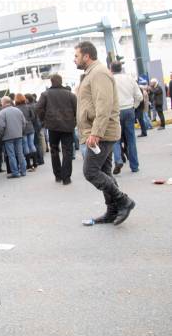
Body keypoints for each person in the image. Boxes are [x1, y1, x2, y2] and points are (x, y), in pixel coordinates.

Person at [74, 42, 135, 226]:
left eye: (76, 56)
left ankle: (124, 201)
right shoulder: (91, 73)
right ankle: (112, 210)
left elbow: (104, 104)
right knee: (104, 172)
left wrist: (96, 132)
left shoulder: (98, 73)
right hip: (98, 131)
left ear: (86, 56)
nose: (74, 59)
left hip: (102, 132)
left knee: (90, 171)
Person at [36, 74, 77, 184]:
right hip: (68, 126)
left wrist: (44, 120)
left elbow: (38, 108)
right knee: (67, 151)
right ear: (61, 81)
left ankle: (58, 175)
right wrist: (74, 122)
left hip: (52, 126)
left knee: (54, 151)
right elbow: (77, 110)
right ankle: (66, 177)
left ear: (51, 81)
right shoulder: (70, 95)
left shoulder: (45, 94)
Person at [110, 61, 143, 174]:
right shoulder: (130, 78)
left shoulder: (109, 80)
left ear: (111, 69)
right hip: (129, 110)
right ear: (121, 68)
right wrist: (134, 107)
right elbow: (139, 96)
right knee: (131, 139)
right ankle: (134, 166)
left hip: (115, 112)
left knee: (115, 138)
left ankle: (118, 160)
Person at [0, 96, 27, 178]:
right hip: (18, 135)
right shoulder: (18, 110)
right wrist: (21, 131)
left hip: (7, 137)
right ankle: (23, 171)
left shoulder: (2, 113)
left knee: (11, 155)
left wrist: (0, 134)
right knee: (20, 153)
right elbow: (24, 123)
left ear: (3, 103)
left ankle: (15, 173)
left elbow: (0, 126)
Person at [14, 93, 38, 171]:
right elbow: (33, 117)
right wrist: (28, 121)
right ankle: (35, 162)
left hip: (22, 129)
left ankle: (28, 164)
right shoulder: (28, 107)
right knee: (31, 144)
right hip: (30, 127)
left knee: (25, 145)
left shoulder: (16, 109)